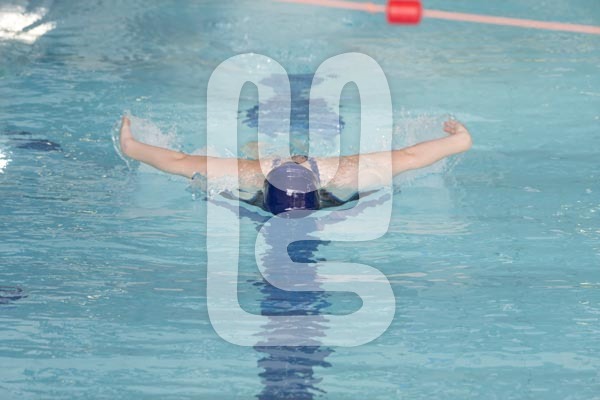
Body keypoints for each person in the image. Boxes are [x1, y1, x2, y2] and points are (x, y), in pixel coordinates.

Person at [118, 115, 472, 214]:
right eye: (297, 161)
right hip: (309, 193)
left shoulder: (252, 172)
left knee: (246, 155)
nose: (295, 159)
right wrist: (459, 141)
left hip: (275, 190)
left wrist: (132, 147)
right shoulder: (340, 172)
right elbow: (410, 157)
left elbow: (178, 160)